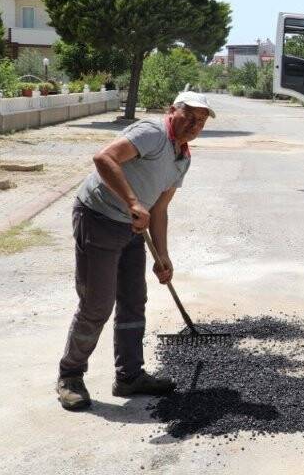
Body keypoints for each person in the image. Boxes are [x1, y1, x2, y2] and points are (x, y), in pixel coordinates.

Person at [55, 91, 213, 411]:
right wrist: (132, 202)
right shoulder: (152, 133)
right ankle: (70, 375)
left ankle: (129, 375)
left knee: (134, 300)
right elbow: (104, 158)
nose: (194, 125)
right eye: (189, 117)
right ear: (172, 111)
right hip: (98, 217)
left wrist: (163, 256)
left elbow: (159, 208)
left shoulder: (183, 157)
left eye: (201, 121)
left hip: (132, 228)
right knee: (98, 303)